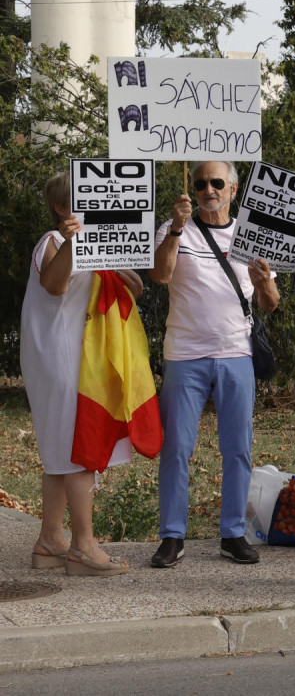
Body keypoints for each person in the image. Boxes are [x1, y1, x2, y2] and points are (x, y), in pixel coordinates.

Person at [150, 161, 280, 570]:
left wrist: (265, 285)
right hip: (184, 355)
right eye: (201, 182)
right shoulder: (176, 228)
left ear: (233, 188)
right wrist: (174, 227)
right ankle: (172, 536)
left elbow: (269, 303)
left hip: (236, 355)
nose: (208, 189)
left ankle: (232, 535)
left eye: (216, 183)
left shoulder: (249, 235)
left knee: (237, 449)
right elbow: (159, 275)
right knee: (176, 449)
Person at [20, 173, 144, 576]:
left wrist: (131, 284)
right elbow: (54, 285)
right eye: (83, 201)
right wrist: (75, 240)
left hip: (80, 360)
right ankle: (83, 547)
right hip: (62, 361)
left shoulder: (100, 247)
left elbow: (120, 292)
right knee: (78, 451)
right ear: (61, 207)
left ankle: (50, 541)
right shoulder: (53, 242)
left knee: (59, 452)